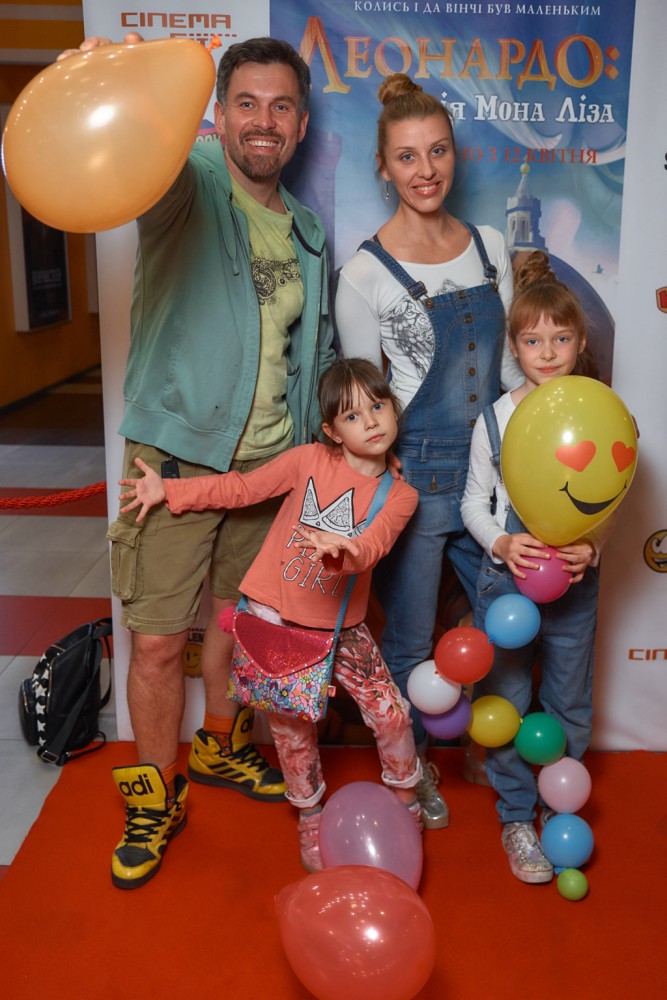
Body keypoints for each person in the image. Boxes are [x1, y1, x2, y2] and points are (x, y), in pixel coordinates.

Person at [59, 34, 336, 888]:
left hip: (266, 468)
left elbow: (315, 352)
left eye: (281, 106)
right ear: (219, 115)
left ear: (300, 125)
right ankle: (154, 796)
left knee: (231, 626)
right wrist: (104, 79)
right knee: (153, 647)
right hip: (175, 462)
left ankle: (219, 746)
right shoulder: (186, 184)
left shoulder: (308, 230)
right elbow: (130, 153)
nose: (263, 121)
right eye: (245, 103)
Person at [118, 358, 422, 873]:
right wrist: (170, 491)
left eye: (377, 406)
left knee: (391, 714)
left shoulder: (401, 494)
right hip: (276, 621)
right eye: (352, 416)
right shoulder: (307, 460)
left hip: (341, 628)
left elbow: (373, 545)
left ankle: (406, 801)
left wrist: (344, 551)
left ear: (393, 408)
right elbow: (241, 489)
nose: (370, 422)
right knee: (291, 733)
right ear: (332, 431)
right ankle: (309, 816)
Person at [335, 73, 523, 828]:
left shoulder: (490, 246)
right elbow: (363, 405)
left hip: (495, 475)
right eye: (407, 156)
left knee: (506, 631)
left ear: (454, 155)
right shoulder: (363, 274)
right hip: (415, 477)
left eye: (437, 151)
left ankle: (505, 778)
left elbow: (510, 377)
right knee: (410, 643)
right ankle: (409, 780)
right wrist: (377, 490)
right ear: (382, 167)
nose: (425, 170)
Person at [461, 250, 607, 884]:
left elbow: (608, 496)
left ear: (580, 343)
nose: (547, 352)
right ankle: (517, 816)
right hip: (507, 583)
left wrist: (593, 545)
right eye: (532, 340)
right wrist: (500, 543)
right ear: (514, 346)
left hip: (574, 582)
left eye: (561, 338)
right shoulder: (494, 419)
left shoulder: (597, 412)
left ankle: (558, 807)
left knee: (569, 703)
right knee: (507, 701)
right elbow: (473, 502)